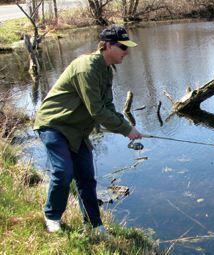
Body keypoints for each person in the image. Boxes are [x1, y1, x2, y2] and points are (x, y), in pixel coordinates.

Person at [34, 25, 143, 233]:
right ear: (108, 46)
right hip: (54, 124)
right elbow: (97, 110)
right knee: (62, 171)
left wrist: (127, 126)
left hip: (77, 131)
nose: (127, 52)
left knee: (86, 178)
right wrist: (126, 130)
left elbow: (108, 106)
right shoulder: (87, 67)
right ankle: (52, 217)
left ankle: (94, 225)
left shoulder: (106, 70)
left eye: (127, 47)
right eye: (122, 47)